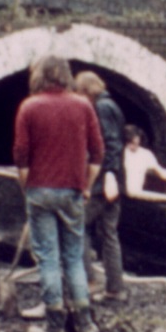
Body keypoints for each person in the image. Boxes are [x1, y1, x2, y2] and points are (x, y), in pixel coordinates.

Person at [14, 56, 104, 332]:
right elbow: (98, 153)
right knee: (74, 257)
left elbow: (21, 156)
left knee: (48, 259)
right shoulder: (83, 105)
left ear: (39, 76)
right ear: (66, 75)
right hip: (72, 191)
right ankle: (85, 324)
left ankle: (54, 326)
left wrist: (27, 189)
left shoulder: (29, 106)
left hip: (40, 190)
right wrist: (86, 186)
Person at [74, 71, 126, 303]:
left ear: (86, 91)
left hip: (104, 181)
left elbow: (111, 142)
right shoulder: (112, 105)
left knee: (77, 225)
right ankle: (115, 288)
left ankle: (89, 281)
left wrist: (109, 175)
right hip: (113, 180)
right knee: (109, 233)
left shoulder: (102, 108)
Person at [123, 124, 166, 197]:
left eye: (135, 142)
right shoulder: (121, 153)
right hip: (122, 197)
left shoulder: (145, 155)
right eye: (131, 143)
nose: (133, 145)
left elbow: (162, 173)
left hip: (138, 196)